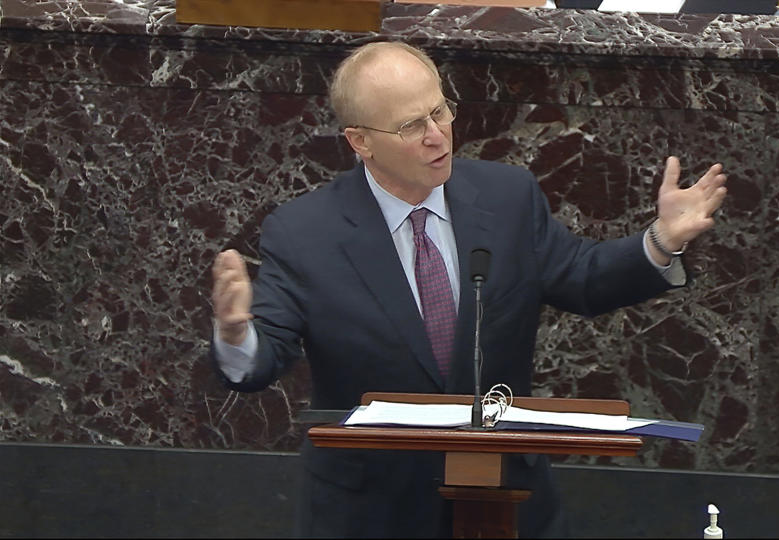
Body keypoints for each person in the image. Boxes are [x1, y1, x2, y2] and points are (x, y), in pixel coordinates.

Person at [210, 41, 727, 538]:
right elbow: (264, 354)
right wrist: (236, 333)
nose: (438, 135)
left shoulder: (507, 197)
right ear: (360, 141)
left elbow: (582, 277)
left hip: (505, 500)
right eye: (413, 125)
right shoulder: (305, 232)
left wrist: (660, 241)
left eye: (440, 111)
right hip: (369, 510)